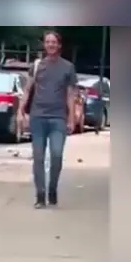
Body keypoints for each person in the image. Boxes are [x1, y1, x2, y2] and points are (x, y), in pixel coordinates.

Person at [17, 30, 79, 208]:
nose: (51, 44)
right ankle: (40, 195)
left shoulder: (68, 67)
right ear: (44, 45)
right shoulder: (37, 66)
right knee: (38, 156)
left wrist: (71, 118)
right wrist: (20, 111)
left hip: (58, 117)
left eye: (54, 42)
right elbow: (28, 90)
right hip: (38, 117)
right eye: (48, 41)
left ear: (59, 45)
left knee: (57, 155)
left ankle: (52, 188)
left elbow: (70, 94)